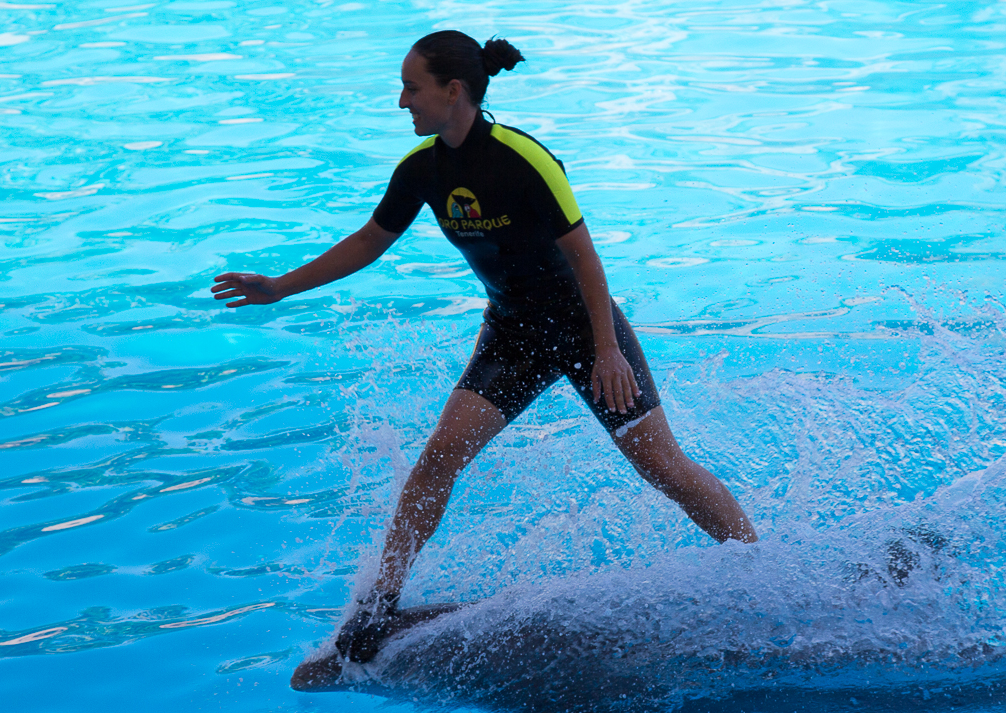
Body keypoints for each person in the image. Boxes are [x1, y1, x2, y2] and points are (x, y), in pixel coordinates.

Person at [211, 31, 757, 664]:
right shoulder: (422, 170)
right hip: (515, 333)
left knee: (662, 464)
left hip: (585, 328)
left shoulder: (523, 158)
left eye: (412, 88)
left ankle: (755, 562)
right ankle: (378, 606)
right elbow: (369, 241)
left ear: (454, 90)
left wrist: (607, 351)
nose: (401, 102)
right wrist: (280, 288)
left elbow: (584, 256)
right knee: (441, 453)